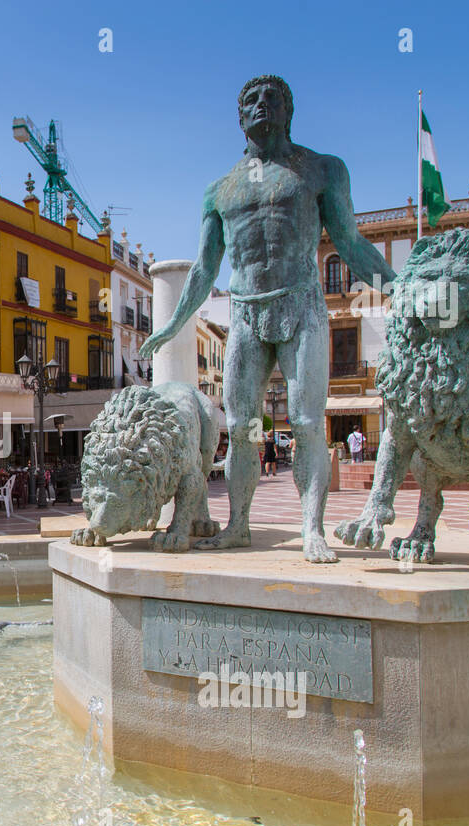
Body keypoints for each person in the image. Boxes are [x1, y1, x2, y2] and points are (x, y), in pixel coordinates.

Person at [139, 74, 396, 563]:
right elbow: (204, 268)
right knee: (239, 427)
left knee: (305, 422)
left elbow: (351, 242)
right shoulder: (219, 190)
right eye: (251, 101)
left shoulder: (321, 170)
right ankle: (238, 524)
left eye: (271, 98)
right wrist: (173, 326)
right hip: (246, 312)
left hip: (300, 304)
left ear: (288, 110)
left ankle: (310, 529)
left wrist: (397, 289)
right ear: (239, 119)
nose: (261, 106)